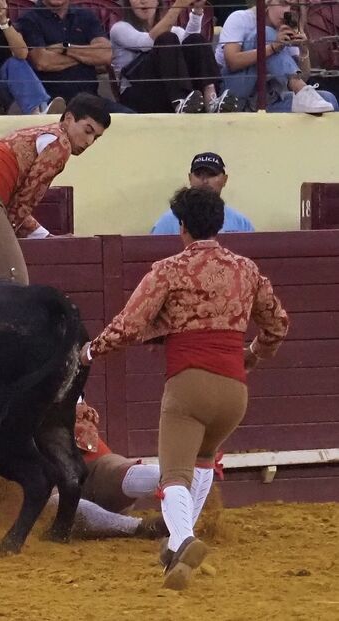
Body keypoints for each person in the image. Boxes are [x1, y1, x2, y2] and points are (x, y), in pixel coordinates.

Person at [80, 187, 289, 590]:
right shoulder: (246, 269)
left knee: (174, 474)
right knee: (204, 460)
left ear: (182, 226)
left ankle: (182, 538)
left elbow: (128, 326)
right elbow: (278, 323)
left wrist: (90, 351)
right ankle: (177, 552)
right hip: (234, 391)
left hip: (189, 385)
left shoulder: (169, 270)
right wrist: (251, 355)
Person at [0, 93, 110, 285]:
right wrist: (7, 237)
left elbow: (17, 202)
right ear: (68, 119)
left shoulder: (39, 132)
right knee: (15, 284)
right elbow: (25, 201)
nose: (89, 141)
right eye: (88, 130)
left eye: (96, 137)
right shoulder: (61, 145)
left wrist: (43, 235)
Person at [0, 398, 170, 539]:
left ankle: (174, 491)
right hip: (21, 476)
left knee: (113, 473)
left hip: (68, 456)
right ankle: (146, 524)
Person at [110, 0, 240, 113]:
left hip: (164, 92)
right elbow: (146, 43)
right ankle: (180, 100)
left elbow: (192, 44)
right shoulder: (119, 28)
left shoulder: (173, 30)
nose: (143, 1)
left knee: (195, 39)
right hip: (137, 94)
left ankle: (211, 99)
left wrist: (197, 10)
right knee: (166, 39)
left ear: (158, 1)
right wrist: (178, 6)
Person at [217, 0, 336, 113]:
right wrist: (273, 47)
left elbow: (302, 77)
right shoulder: (241, 18)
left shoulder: (286, 29)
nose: (287, 11)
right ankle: (302, 91)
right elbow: (232, 62)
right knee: (266, 32)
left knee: (329, 99)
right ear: (268, 3)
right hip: (234, 96)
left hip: (267, 100)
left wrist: (303, 50)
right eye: (284, 3)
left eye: (293, 7)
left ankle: (303, 93)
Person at [17, 0, 132, 114]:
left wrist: (65, 48)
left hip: (90, 101)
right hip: (51, 104)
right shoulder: (29, 19)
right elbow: (42, 62)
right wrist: (88, 58)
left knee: (131, 118)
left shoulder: (85, 16)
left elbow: (106, 54)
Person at [151, 152, 254, 234]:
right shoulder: (169, 221)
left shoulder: (241, 223)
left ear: (225, 179)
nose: (205, 181)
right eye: (199, 174)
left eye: (211, 175)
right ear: (190, 178)